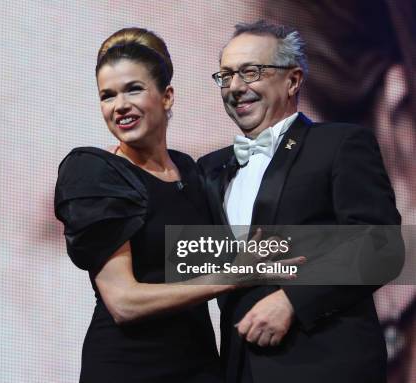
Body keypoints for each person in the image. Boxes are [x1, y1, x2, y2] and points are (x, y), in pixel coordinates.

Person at [54, 27, 302, 382]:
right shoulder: (96, 172)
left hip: (199, 364)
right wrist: (233, 278)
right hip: (129, 367)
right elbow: (124, 303)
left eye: (133, 89)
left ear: (167, 96)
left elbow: (225, 255)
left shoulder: (191, 170)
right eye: (107, 96)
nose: (119, 105)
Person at [197, 20, 402, 383]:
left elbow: (381, 245)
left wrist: (293, 300)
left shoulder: (340, 144)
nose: (236, 87)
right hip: (240, 368)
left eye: (251, 72)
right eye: (226, 76)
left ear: (292, 80)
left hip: (324, 365)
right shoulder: (209, 168)